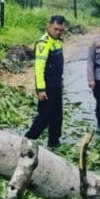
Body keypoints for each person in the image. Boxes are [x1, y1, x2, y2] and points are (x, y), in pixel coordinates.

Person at [25, 15, 68, 149]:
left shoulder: (58, 41)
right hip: (47, 86)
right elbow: (39, 69)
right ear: (49, 26)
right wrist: (41, 90)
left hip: (56, 84)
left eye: (61, 30)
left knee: (57, 115)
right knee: (44, 116)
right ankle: (28, 140)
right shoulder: (43, 43)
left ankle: (54, 141)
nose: (58, 32)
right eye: (55, 29)